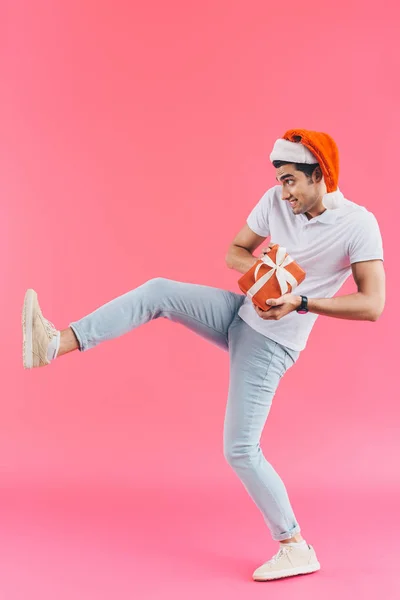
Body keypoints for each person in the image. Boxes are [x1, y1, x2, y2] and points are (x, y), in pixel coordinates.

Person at [22, 129, 385, 582]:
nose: (283, 191)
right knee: (159, 291)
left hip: (273, 341)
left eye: (292, 180)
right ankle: (55, 343)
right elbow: (236, 250)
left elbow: (372, 304)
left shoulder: (357, 224)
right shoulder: (274, 202)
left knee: (239, 449)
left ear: (320, 175)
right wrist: (263, 271)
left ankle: (295, 545)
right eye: (280, 180)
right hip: (240, 312)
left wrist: (302, 301)